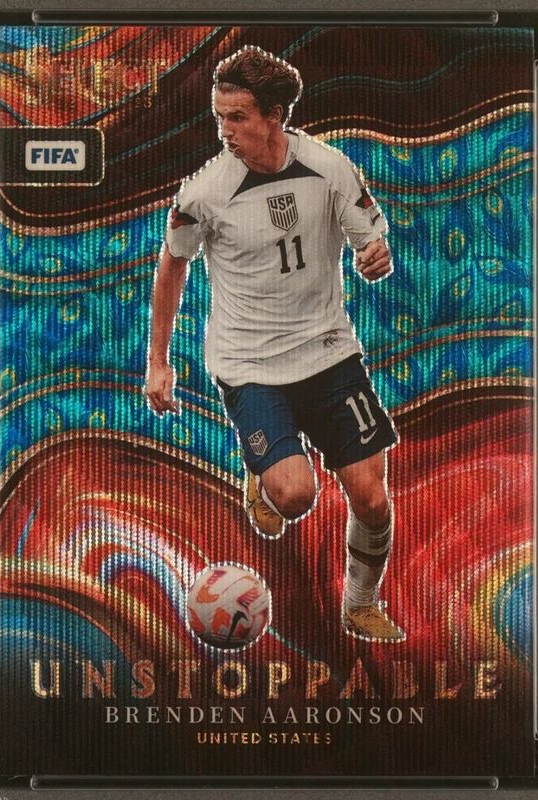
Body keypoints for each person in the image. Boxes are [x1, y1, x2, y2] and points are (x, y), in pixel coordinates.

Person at [146, 46, 404, 642]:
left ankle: (360, 603)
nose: (225, 130)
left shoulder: (330, 168)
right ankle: (263, 474)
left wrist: (376, 255)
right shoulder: (204, 192)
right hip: (250, 363)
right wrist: (158, 361)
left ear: (275, 116)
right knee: (294, 497)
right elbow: (172, 267)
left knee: (372, 500)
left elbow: (370, 239)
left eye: (237, 117)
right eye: (220, 117)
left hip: (329, 353)